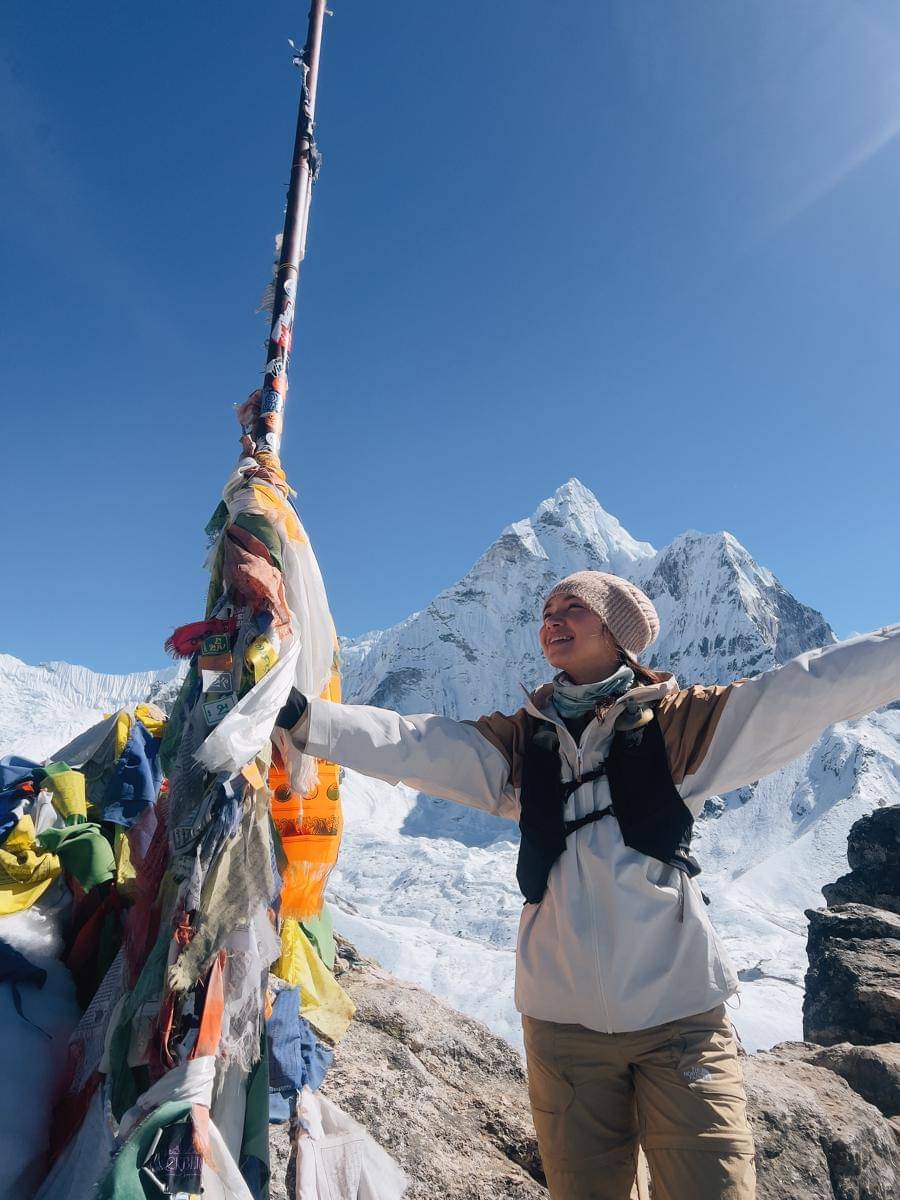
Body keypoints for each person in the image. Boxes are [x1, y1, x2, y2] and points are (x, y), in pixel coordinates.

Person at [275, 570, 900, 1200]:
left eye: (572, 607)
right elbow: (416, 745)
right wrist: (307, 720)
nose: (552, 619)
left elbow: (806, 688)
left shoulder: (679, 726)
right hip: (563, 1032)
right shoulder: (524, 742)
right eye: (547, 610)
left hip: (680, 1023)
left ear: (617, 631)